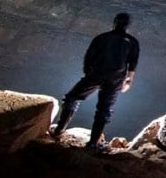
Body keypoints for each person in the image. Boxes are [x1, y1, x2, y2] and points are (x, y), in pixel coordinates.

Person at [50, 12, 140, 150]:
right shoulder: (132, 42)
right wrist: (128, 81)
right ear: (128, 26)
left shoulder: (102, 38)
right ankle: (93, 143)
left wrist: (88, 73)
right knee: (104, 109)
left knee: (72, 98)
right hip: (115, 79)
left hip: (97, 74)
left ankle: (59, 130)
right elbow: (132, 65)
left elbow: (89, 56)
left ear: (114, 22)